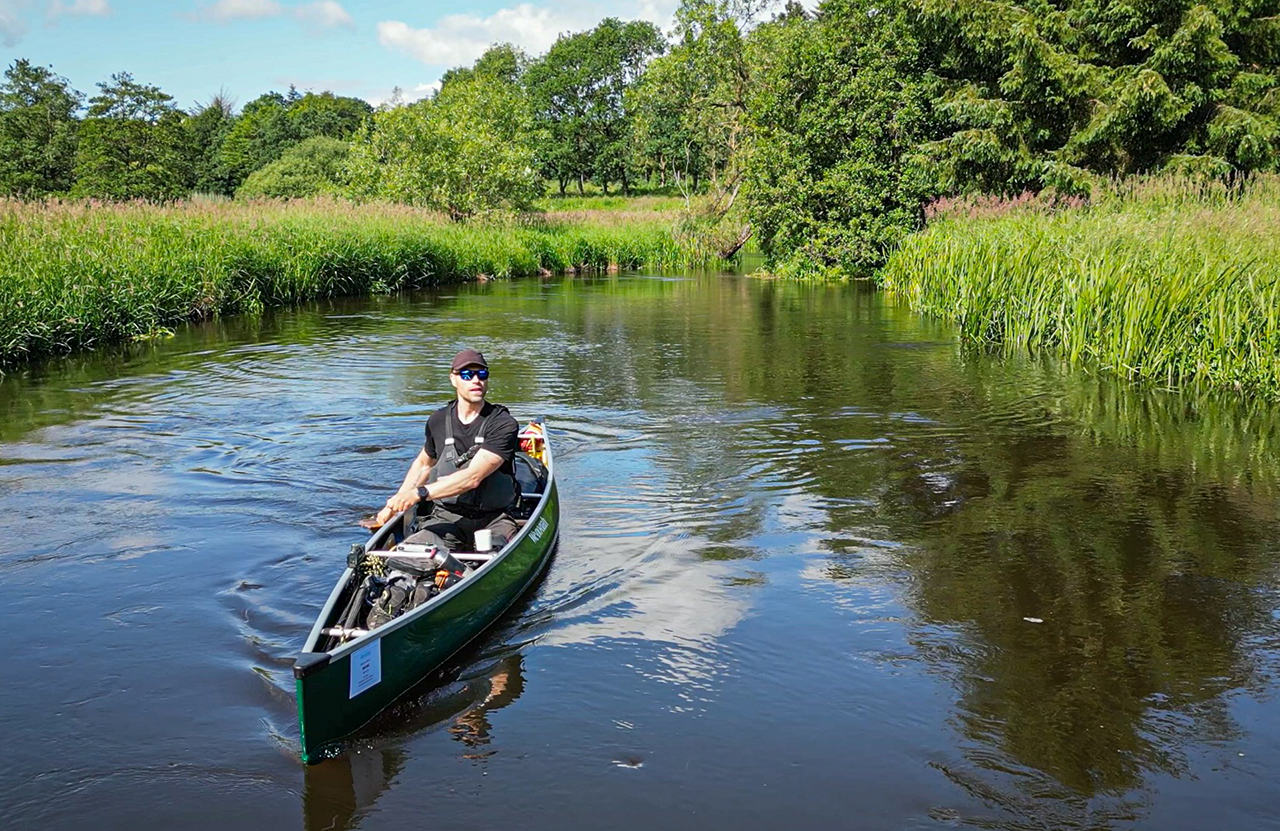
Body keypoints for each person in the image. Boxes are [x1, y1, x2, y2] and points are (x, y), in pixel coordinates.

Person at [373, 348, 520, 552]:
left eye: (482, 374)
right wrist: (392, 506)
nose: (476, 380)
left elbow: (472, 477)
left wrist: (420, 493)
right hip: (446, 518)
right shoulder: (438, 421)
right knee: (409, 557)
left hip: (494, 519)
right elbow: (424, 465)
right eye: (467, 375)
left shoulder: (503, 424)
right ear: (453, 379)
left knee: (494, 552)